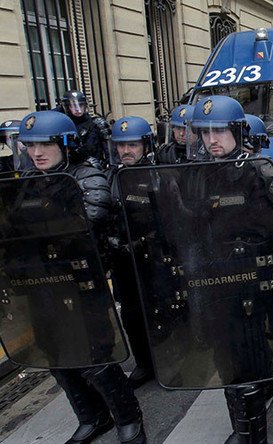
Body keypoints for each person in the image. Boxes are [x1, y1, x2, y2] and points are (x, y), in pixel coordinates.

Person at [187, 95, 273, 444]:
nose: (211, 139)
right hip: (227, 277)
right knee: (233, 352)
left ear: (237, 131)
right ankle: (246, 427)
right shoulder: (199, 176)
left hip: (270, 274)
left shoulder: (263, 172)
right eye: (205, 132)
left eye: (219, 131)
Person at [15, 110, 146, 444]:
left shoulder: (88, 177)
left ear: (66, 144)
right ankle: (91, 416)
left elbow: (85, 222)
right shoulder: (27, 181)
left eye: (45, 143)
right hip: (40, 284)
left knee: (94, 356)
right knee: (55, 356)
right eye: (30, 145)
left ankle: (128, 419)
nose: (36, 152)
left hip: (81, 282)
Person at [105, 116, 156, 389]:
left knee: (158, 312)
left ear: (145, 145)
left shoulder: (156, 174)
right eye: (121, 145)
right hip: (123, 259)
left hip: (152, 257)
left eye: (133, 145)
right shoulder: (111, 175)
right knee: (131, 315)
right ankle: (144, 362)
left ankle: (166, 360)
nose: (126, 151)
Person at [56, 90, 111, 168]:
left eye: (80, 105)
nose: (78, 109)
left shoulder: (96, 123)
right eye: (73, 106)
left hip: (97, 167)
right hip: (74, 167)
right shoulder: (64, 127)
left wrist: (109, 166)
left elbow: (109, 150)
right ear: (67, 107)